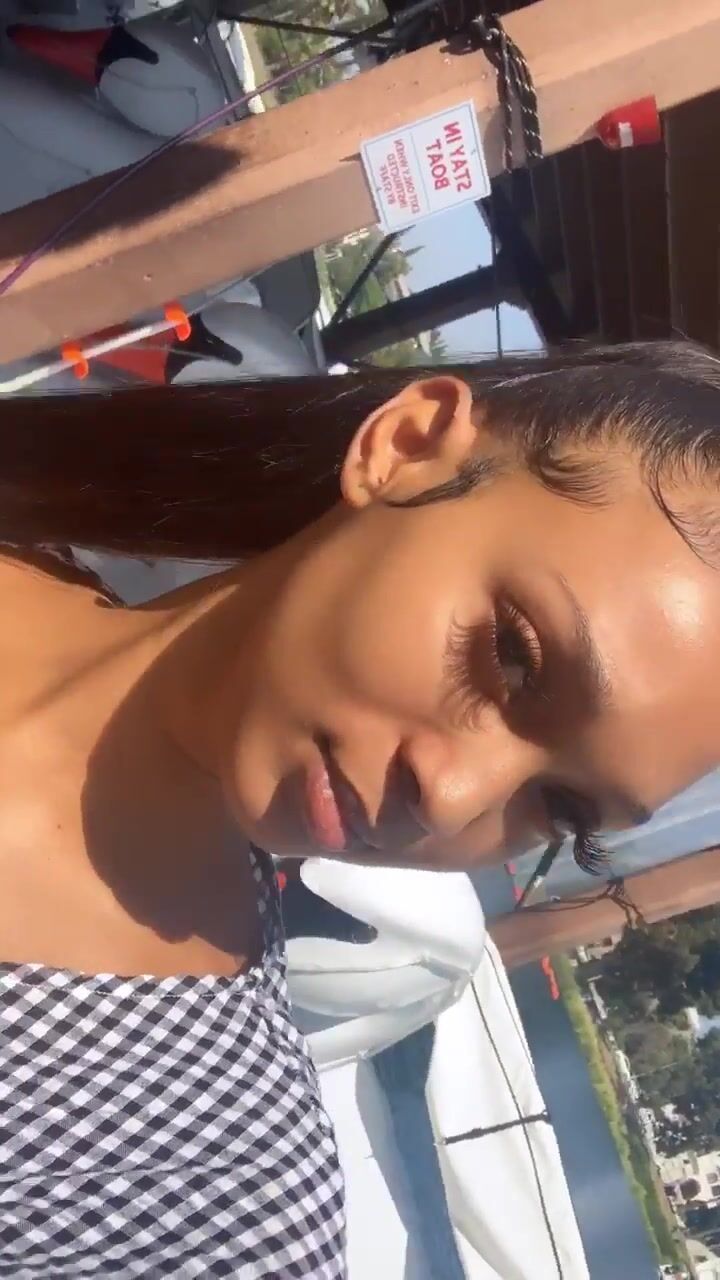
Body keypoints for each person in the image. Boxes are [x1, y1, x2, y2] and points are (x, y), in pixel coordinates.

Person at [2, 340, 720, 1276]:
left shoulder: (202, 1191)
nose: (454, 800)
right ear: (406, 446)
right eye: (511, 656)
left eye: (561, 807)